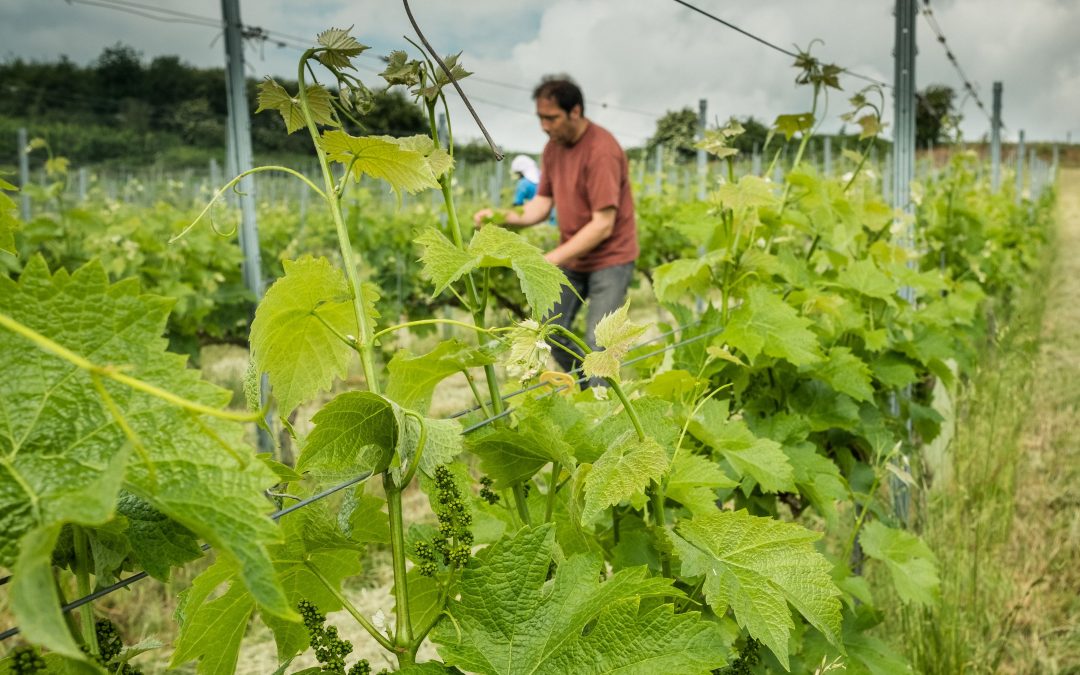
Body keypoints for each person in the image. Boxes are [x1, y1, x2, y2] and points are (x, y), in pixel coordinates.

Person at [473, 76, 638, 376]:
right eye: (540, 117)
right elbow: (540, 205)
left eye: (551, 118)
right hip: (574, 255)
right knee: (548, 331)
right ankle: (589, 387)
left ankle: (602, 405)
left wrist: (549, 260)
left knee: (600, 344)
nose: (545, 126)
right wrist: (499, 217)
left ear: (575, 111)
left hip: (611, 258)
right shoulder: (553, 148)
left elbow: (603, 225)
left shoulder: (601, 151)